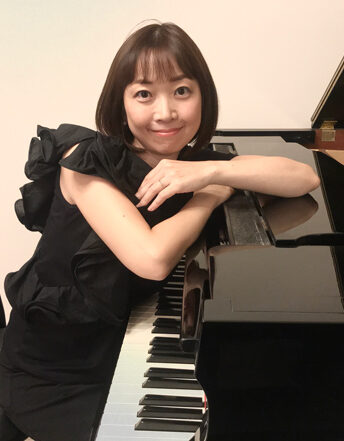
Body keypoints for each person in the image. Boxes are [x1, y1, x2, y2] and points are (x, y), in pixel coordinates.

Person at [0, 22, 320, 441]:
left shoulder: (192, 165)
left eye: (182, 91)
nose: (166, 112)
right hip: (52, 370)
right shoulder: (85, 162)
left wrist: (213, 171)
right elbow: (151, 260)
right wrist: (210, 193)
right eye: (144, 94)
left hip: (118, 347)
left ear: (203, 95)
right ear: (121, 102)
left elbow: (303, 177)